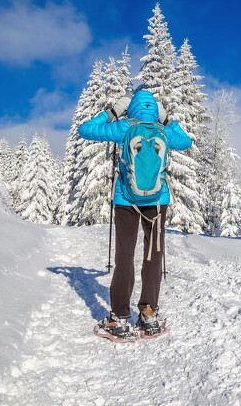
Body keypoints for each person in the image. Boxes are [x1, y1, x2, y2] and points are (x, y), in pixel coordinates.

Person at [79, 89, 192, 341]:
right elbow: (186, 141)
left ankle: (119, 319)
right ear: (154, 109)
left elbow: (85, 129)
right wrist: (167, 119)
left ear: (131, 107)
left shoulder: (123, 127)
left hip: (125, 200)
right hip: (157, 202)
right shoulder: (163, 132)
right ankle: (149, 316)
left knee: (125, 255)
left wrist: (111, 112)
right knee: (153, 256)